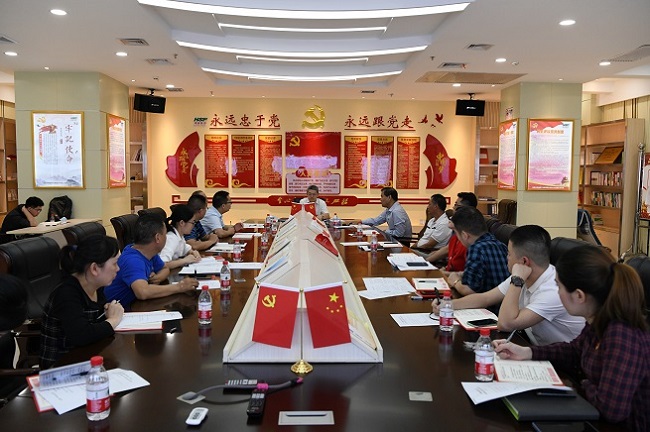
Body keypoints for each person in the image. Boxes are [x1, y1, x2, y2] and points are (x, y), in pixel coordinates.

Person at [494, 245, 650, 431]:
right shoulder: (598, 320)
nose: (557, 292)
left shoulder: (621, 335)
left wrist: (582, 384)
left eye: (558, 286)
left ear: (579, 296)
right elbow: (574, 351)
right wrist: (526, 352)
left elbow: (612, 410)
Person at [433, 225, 584, 345]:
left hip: (564, 365)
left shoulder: (552, 290)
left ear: (524, 261)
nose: (507, 258)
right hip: (534, 348)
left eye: (509, 254)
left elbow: (505, 324)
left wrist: (517, 280)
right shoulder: (525, 275)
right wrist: (448, 305)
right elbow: (485, 298)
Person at [39, 235, 124, 368]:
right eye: (114, 263)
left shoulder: (96, 286)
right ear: (94, 268)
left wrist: (108, 311)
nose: (118, 268)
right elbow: (81, 335)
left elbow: (94, 321)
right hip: (61, 368)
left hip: (89, 356)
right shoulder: (66, 293)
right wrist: (113, 320)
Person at [104, 213, 198, 305]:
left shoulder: (149, 252)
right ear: (158, 238)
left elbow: (165, 268)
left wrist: (158, 277)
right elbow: (143, 292)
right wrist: (180, 287)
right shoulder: (132, 260)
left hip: (137, 304)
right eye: (165, 234)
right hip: (122, 309)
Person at [446, 205, 508, 296]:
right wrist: (458, 274)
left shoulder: (476, 249)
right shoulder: (501, 245)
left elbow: (469, 290)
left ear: (465, 235)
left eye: (457, 234)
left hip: (488, 303)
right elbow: (483, 274)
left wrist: (455, 281)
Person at [426, 192, 477, 270]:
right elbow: (449, 247)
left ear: (465, 209)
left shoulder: (469, 231)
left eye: (456, 205)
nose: (453, 208)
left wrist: (426, 260)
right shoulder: (458, 227)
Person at [160, 204, 201, 269]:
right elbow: (163, 264)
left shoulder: (179, 235)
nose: (193, 226)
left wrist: (193, 252)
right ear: (182, 223)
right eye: (192, 223)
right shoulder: (171, 238)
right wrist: (184, 261)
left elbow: (186, 249)